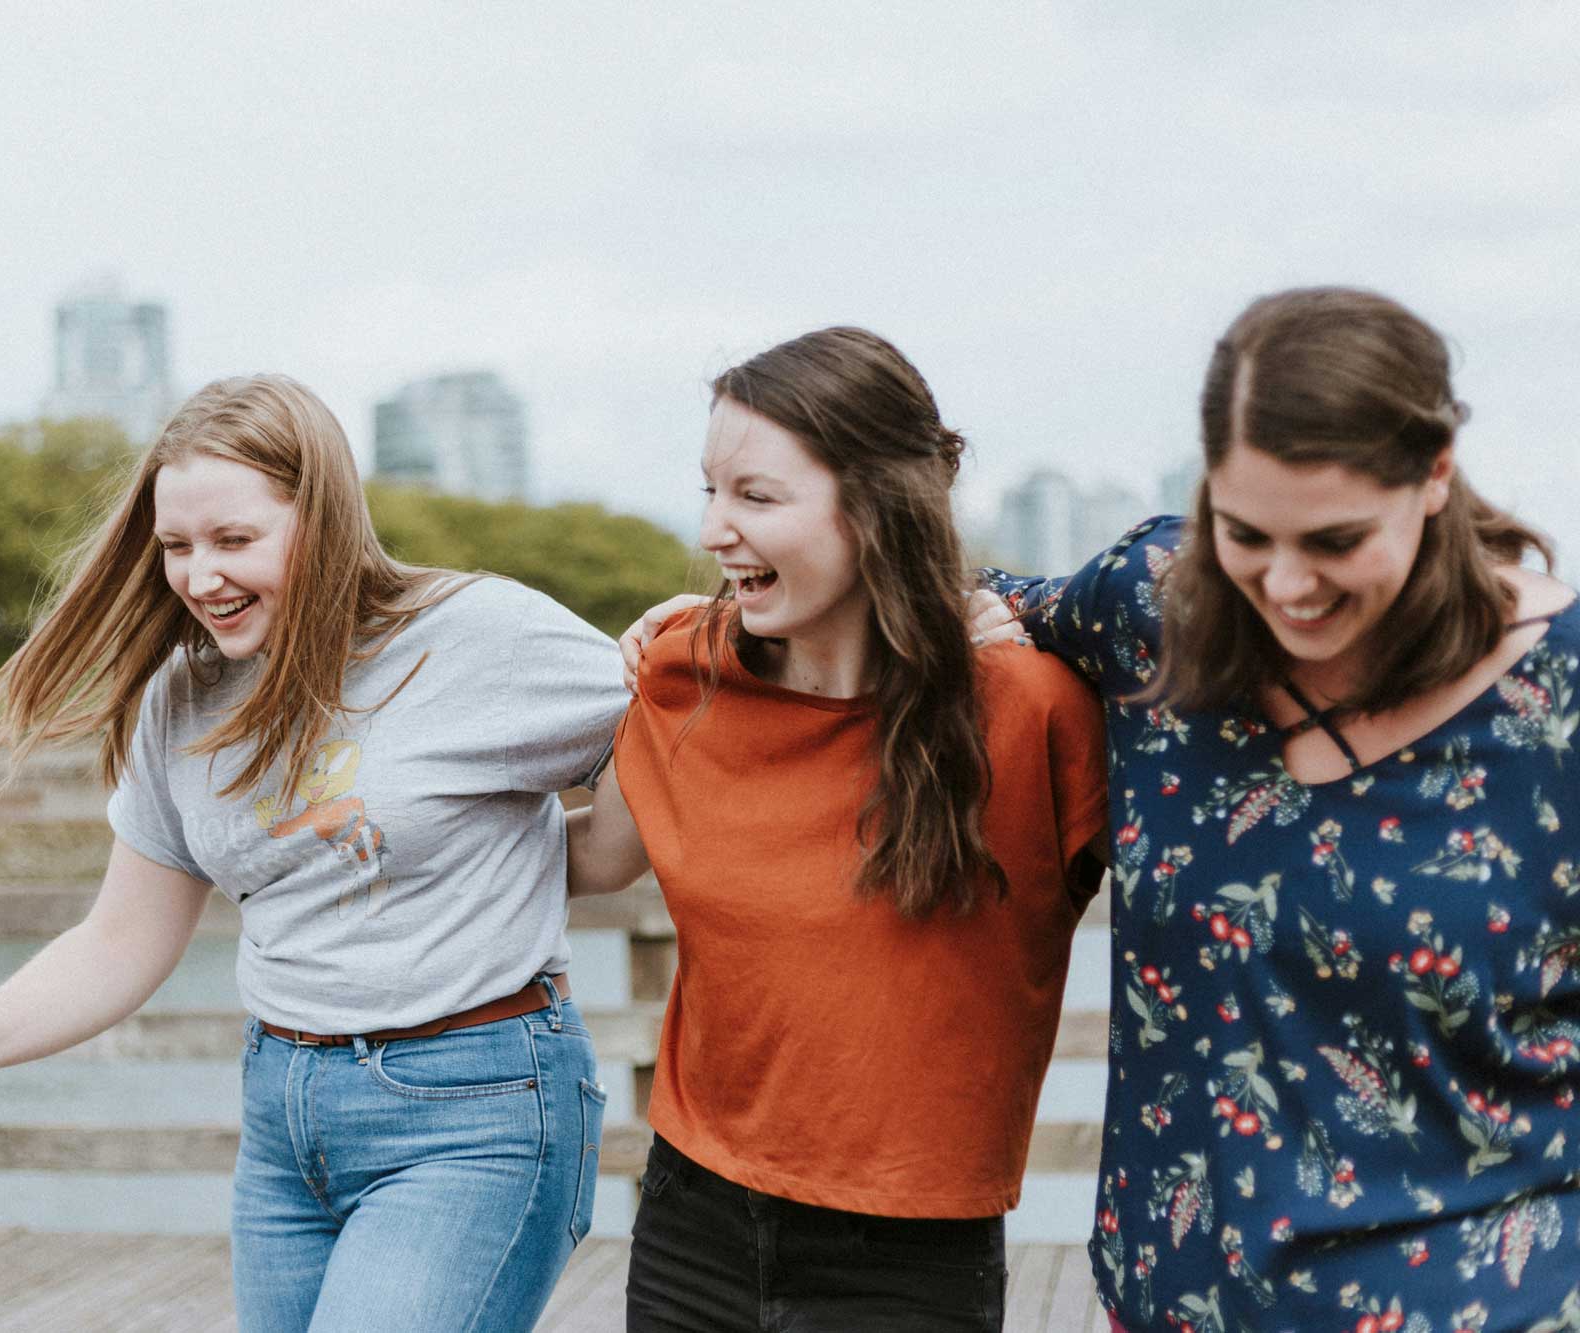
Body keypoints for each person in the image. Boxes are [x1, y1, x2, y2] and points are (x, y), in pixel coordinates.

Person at [0, 375, 628, 1333]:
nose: (198, 576)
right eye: (176, 545)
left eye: (234, 540)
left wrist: (566, 846)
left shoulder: (476, 638)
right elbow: (119, 942)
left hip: (476, 1113)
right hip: (286, 1124)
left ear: (324, 522)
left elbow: (671, 752)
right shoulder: (182, 695)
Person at [961, 288, 1580, 1331]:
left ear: (1433, 475)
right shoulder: (1154, 602)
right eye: (1243, 532)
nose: (1284, 584)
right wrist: (699, 639)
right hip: (1167, 1304)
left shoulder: (1557, 704)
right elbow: (950, 603)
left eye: (1334, 540)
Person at [570, 326, 1109, 1331]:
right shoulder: (682, 672)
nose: (717, 528)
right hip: (692, 1217)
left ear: (875, 508)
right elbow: (594, 857)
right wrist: (371, 837)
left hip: (908, 1257)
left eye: (757, 497)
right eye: (710, 491)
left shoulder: (1032, 709)